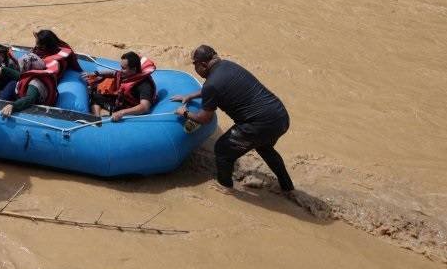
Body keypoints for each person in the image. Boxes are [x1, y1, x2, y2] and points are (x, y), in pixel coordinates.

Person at [171, 45, 294, 194]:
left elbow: (204, 119)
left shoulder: (211, 84)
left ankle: (226, 187)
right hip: (279, 116)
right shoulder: (228, 66)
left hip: (259, 124)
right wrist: (191, 95)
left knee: (222, 149)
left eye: (194, 65)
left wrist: (184, 113)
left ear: (203, 65)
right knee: (264, 147)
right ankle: (287, 187)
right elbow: (213, 88)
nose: (195, 68)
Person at [84, 51, 157, 122]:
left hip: (129, 108)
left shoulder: (144, 85)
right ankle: (97, 118)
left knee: (96, 98)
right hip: (122, 100)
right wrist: (95, 73)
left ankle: (100, 120)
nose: (121, 70)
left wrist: (122, 112)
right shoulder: (128, 74)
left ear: (133, 69)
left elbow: (145, 107)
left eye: (124, 68)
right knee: (94, 95)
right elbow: (113, 73)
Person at [0, 53, 58, 118]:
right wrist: (3, 69)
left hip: (31, 101)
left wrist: (13, 106)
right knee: (13, 83)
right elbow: (21, 76)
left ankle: (0, 101)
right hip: (29, 92)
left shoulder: (35, 83)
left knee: (12, 84)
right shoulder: (38, 74)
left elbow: (30, 98)